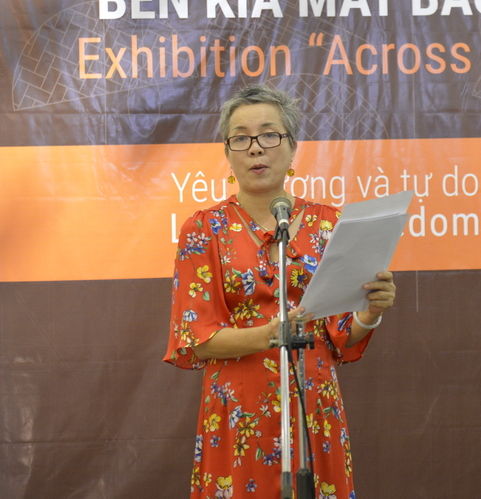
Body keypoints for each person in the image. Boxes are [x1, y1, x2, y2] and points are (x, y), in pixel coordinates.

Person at [164, 84, 396, 498]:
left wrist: (371, 311)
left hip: (313, 404)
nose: (256, 148)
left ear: (291, 147)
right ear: (227, 153)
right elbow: (197, 338)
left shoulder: (329, 224)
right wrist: (272, 335)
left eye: (269, 135)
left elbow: (341, 334)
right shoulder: (203, 229)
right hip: (239, 411)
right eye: (241, 138)